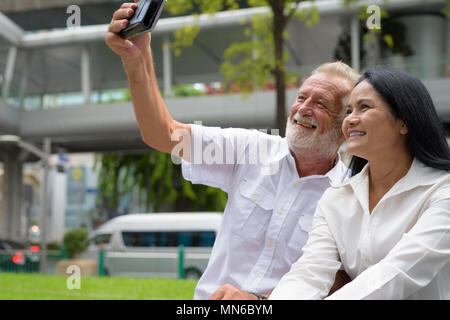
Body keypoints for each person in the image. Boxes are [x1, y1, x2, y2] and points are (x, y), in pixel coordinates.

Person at [105, 1, 360, 300]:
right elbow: (163, 135)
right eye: (302, 96)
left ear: (345, 127)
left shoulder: (351, 196)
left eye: (320, 104)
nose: (303, 109)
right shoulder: (251, 149)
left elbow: (343, 285)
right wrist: (137, 57)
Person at [270, 67, 450, 300]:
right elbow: (309, 273)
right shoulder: (335, 199)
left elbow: (396, 274)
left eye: (364, 107)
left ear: (404, 122)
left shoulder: (442, 194)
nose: (350, 119)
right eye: (348, 110)